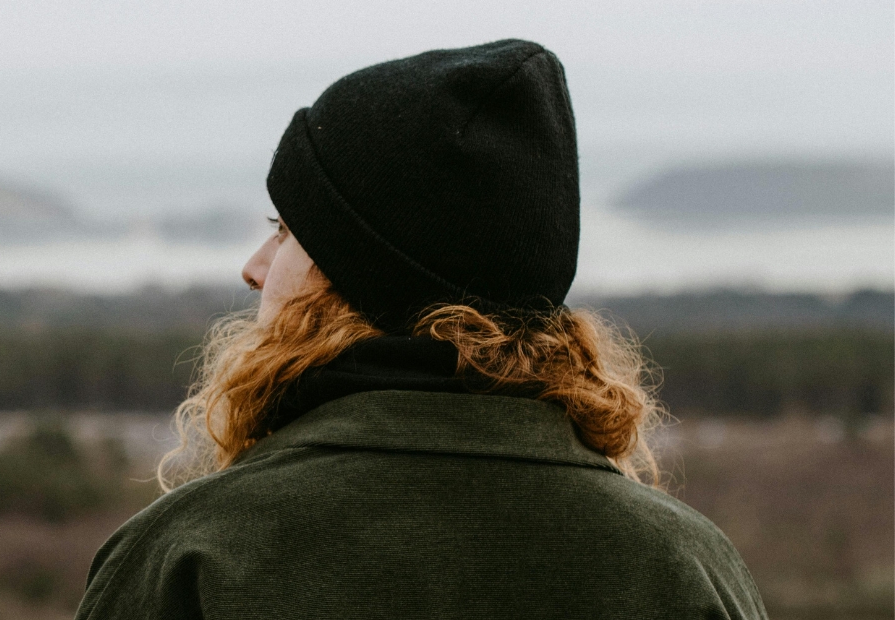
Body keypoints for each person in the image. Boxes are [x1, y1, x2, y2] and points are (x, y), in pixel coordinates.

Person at [74, 39, 767, 619]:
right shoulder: (685, 568)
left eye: (286, 233)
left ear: (357, 274)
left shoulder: (195, 554)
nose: (255, 268)